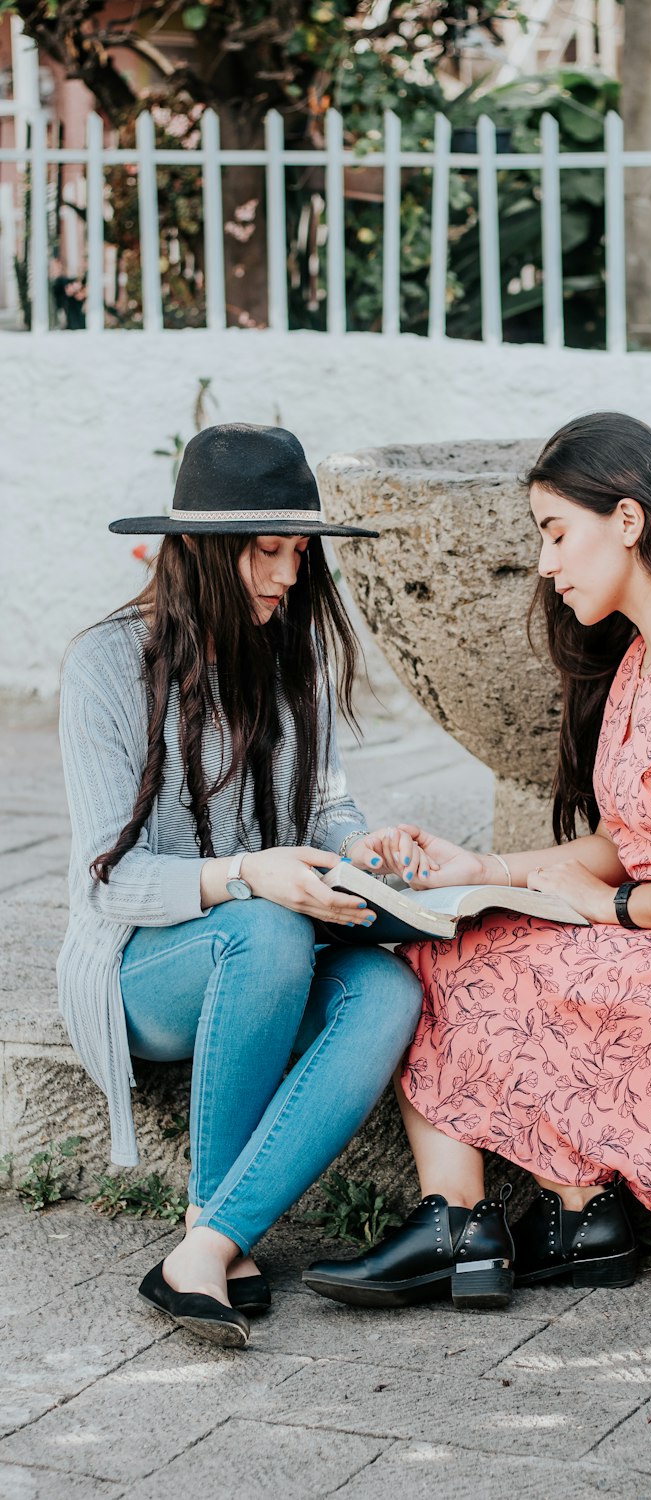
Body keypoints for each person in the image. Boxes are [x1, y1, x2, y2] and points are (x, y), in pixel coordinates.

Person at [304, 411, 651, 1311]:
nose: (547, 564)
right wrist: (483, 867)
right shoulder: (646, 658)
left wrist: (609, 911)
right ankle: (507, 1220)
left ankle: (540, 1219)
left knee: (473, 962)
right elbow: (632, 838)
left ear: (628, 522)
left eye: (557, 533)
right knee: (443, 938)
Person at [58, 422, 433, 1348]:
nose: (289, 575)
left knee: (388, 986)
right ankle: (205, 1227)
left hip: (268, 947)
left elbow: (326, 810)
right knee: (263, 927)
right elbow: (112, 885)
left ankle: (212, 1245)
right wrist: (243, 876)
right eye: (267, 552)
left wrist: (367, 849)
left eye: (299, 551)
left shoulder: (289, 656)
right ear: (199, 552)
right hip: (140, 973)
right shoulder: (104, 666)